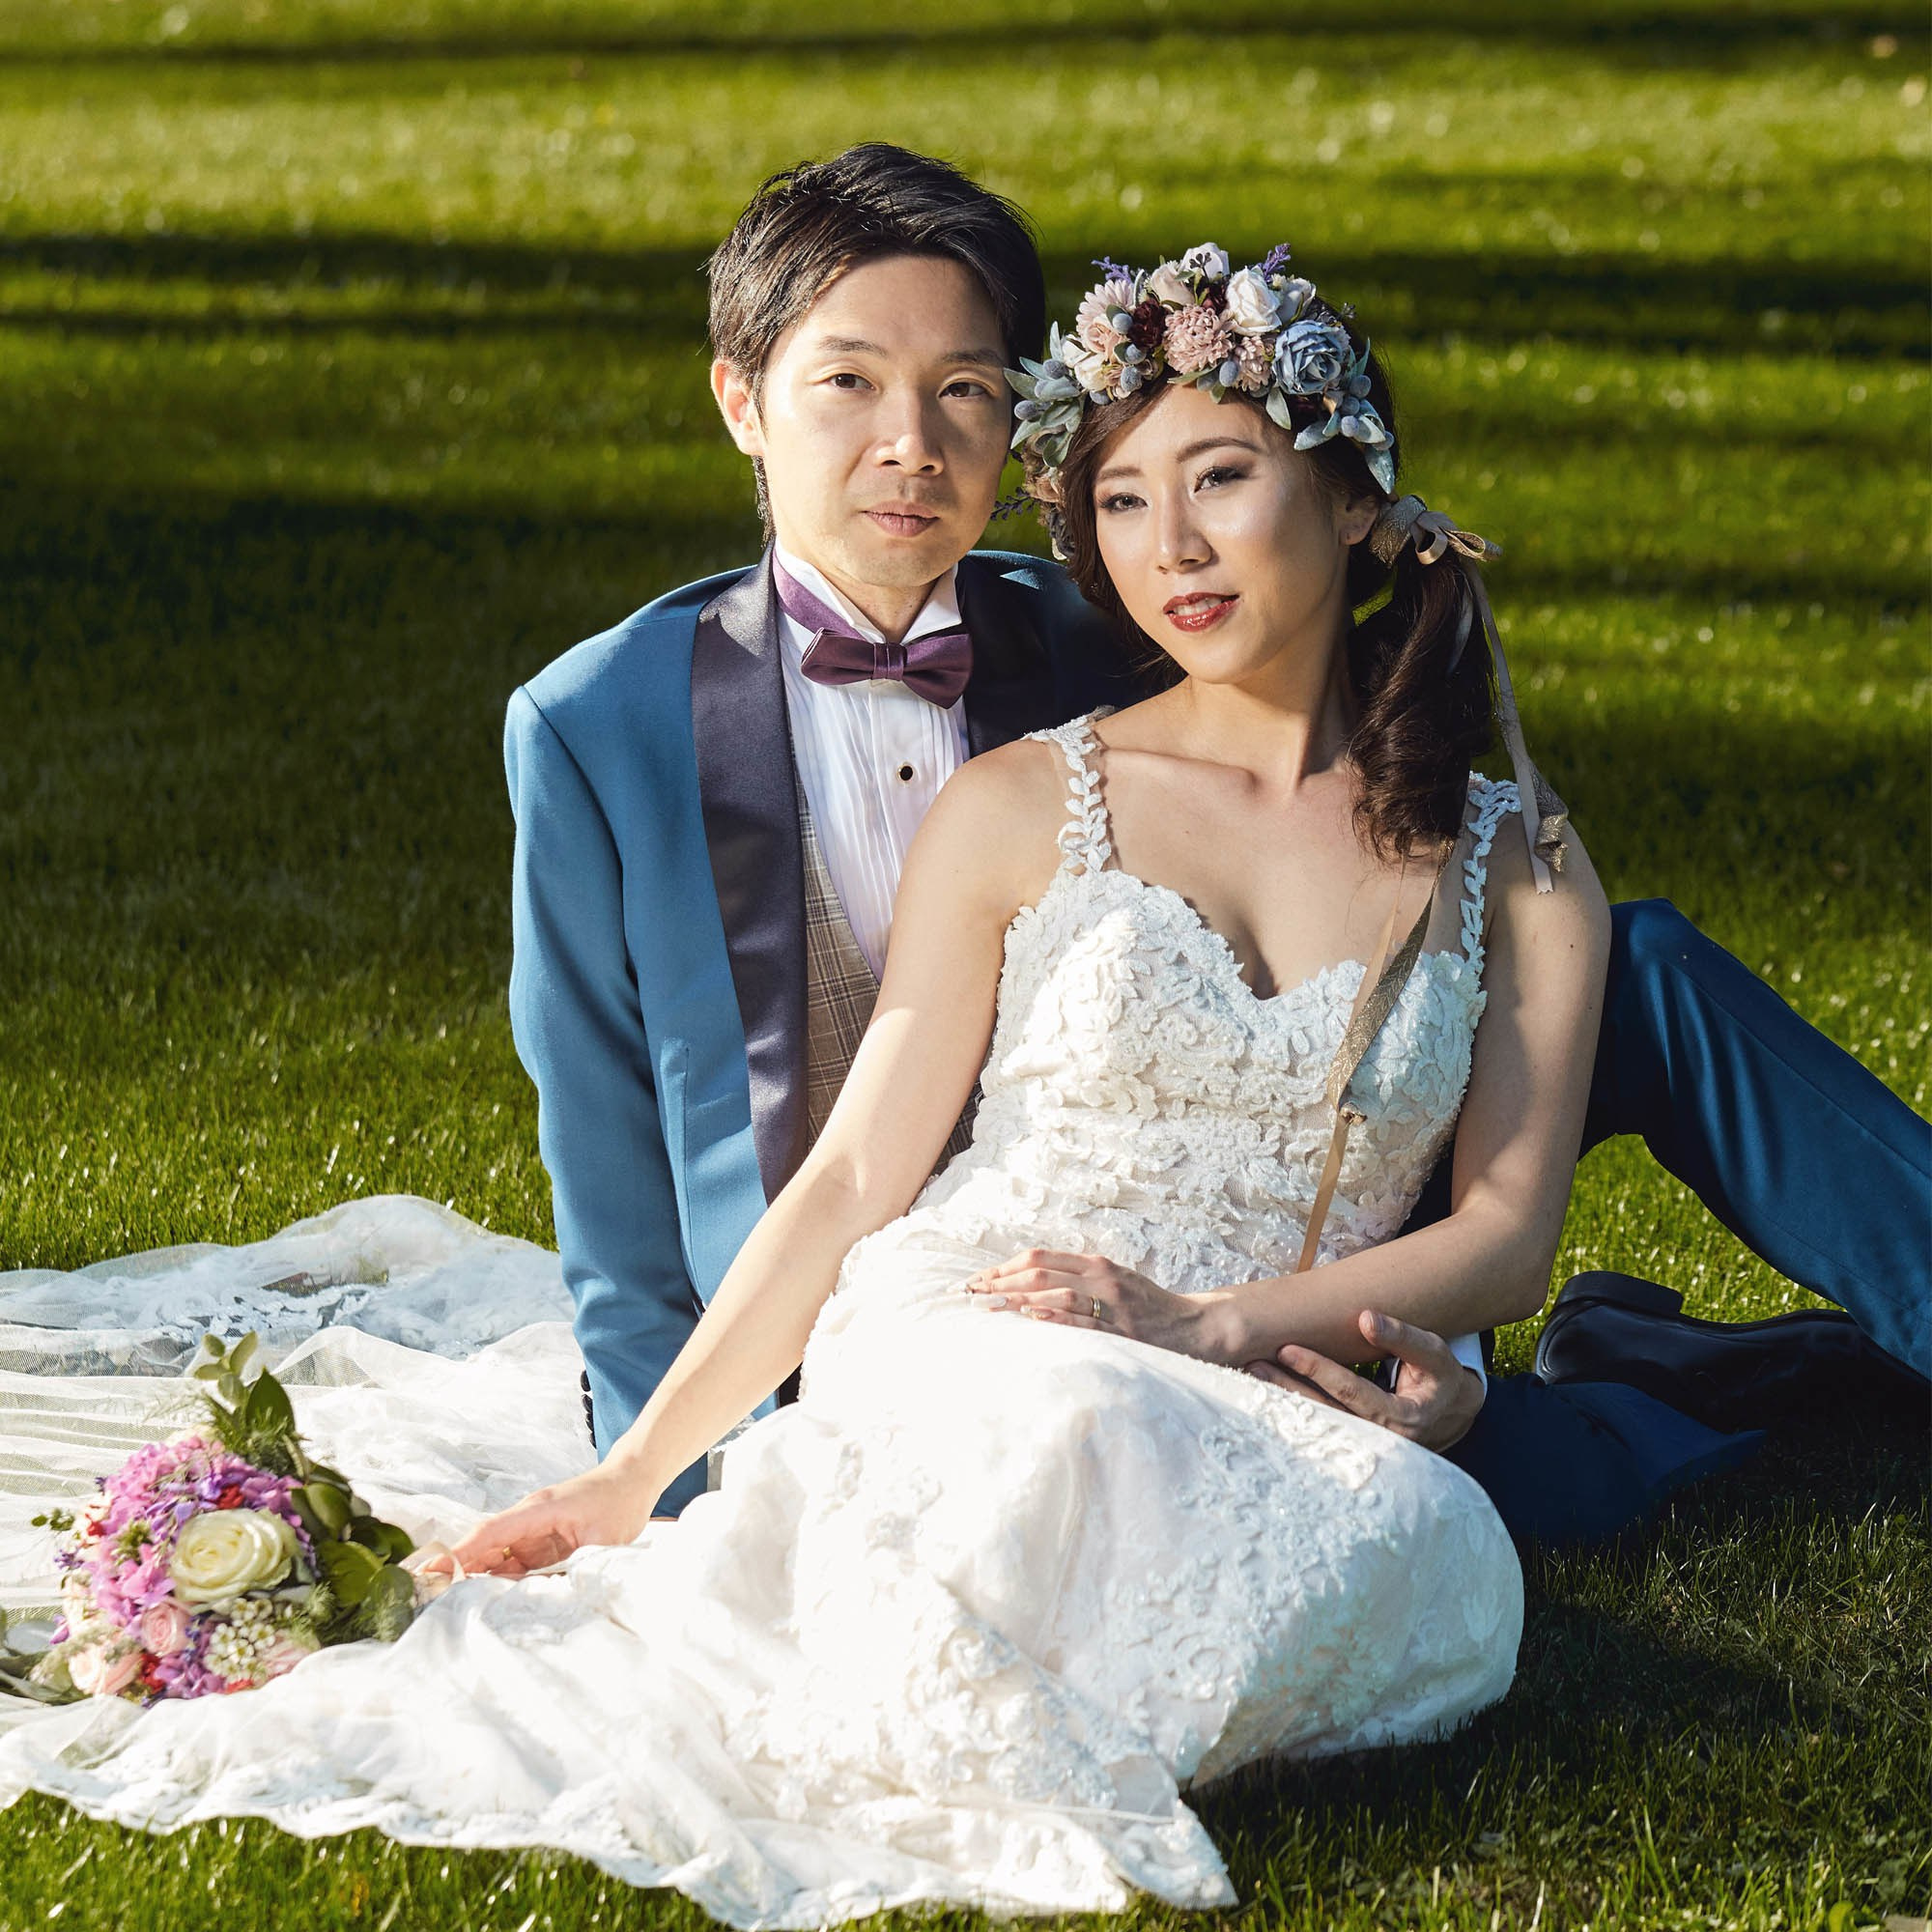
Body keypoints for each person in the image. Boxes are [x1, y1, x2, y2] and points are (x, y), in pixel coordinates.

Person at [0, 237, 1564, 1924]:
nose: (1168, 548)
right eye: (1120, 503)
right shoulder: (1038, 799)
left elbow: (1503, 1230)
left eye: (1222, 481)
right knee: (1072, 1431)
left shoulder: (1517, 862)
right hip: (999, 1324)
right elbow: (850, 1176)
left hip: (1269, 1379)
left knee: (1449, 1566)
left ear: (1351, 502)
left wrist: (1221, 1324)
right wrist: (628, 1476)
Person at [504, 144, 1927, 1540]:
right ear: (742, 402)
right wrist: (660, 1491)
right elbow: (621, 1200)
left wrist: (1426, 1323)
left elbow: (1326, 779)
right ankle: (1645, 1375)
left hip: (1312, 1141)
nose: (910, 447)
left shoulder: (1108, 619)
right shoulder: (598, 724)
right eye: (849, 384)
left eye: (964, 393)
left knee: (1638, 964)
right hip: (899, 1308)